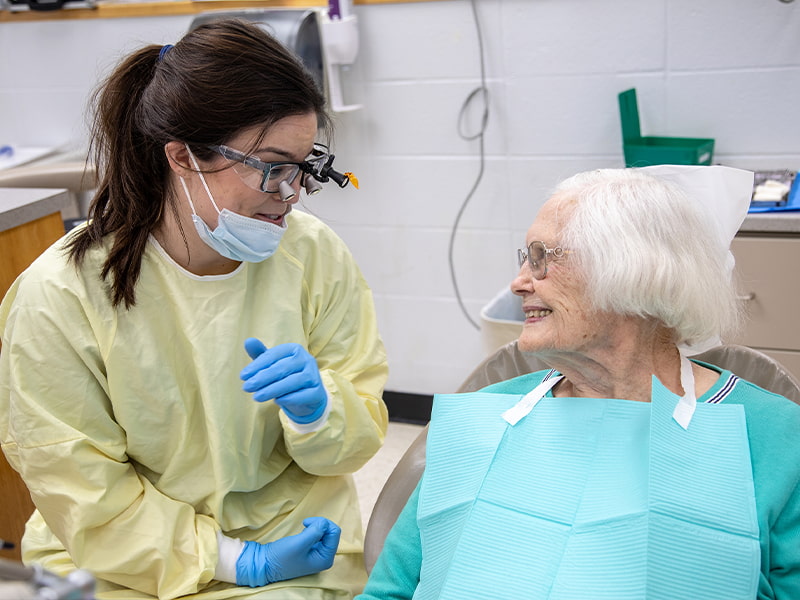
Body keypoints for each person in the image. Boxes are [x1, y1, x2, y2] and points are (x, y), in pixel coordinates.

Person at [0, 19, 388, 600]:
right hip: (124, 559)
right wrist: (236, 560)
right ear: (181, 157)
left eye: (303, 168)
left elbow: (354, 437)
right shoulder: (60, 296)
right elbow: (82, 492)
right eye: (272, 167)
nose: (291, 195)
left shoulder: (312, 255)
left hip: (299, 540)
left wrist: (319, 413)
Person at [357, 166, 800, 600]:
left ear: (633, 268)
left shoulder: (775, 438)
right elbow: (390, 589)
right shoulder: (485, 414)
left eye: (542, 258)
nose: (518, 283)